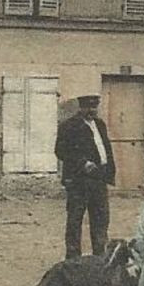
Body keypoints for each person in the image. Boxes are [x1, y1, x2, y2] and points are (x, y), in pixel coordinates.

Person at [54, 94, 116, 258]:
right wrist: (83, 163)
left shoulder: (100, 125)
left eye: (94, 107)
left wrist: (108, 171)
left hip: (98, 179)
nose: (91, 111)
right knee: (75, 220)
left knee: (100, 219)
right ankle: (73, 258)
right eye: (88, 107)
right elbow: (60, 151)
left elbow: (105, 148)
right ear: (80, 107)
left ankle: (99, 256)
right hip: (78, 181)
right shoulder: (69, 126)